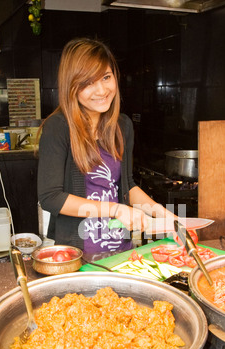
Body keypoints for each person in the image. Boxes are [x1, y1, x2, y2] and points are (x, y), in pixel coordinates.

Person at [37, 38, 178, 256]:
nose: (101, 90)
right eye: (87, 83)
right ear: (71, 86)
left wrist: (161, 213)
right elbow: (50, 197)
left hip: (122, 249)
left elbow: (128, 186)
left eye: (106, 77)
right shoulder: (58, 127)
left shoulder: (123, 125)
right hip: (79, 254)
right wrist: (114, 210)